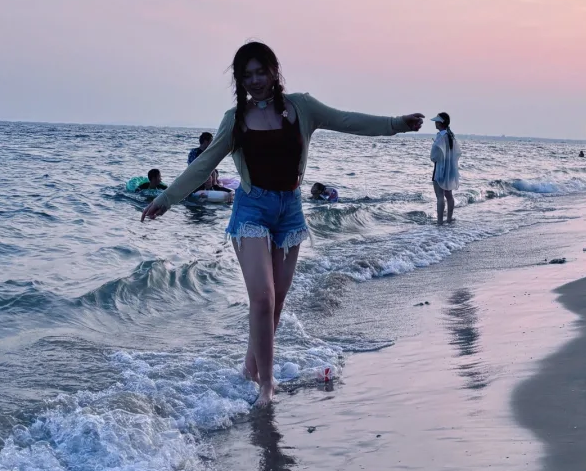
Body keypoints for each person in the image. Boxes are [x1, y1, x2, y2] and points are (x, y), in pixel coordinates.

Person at [142, 42, 422, 406]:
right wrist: (166, 198)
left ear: (275, 71)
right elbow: (204, 164)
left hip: (289, 211)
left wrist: (395, 125)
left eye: (261, 72)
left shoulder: (300, 108)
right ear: (239, 80)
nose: (255, 81)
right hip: (251, 211)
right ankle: (267, 383)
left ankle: (251, 367)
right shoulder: (236, 119)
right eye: (247, 75)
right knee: (262, 298)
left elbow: (347, 121)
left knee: (275, 303)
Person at [430, 112, 461, 224]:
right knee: (449, 195)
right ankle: (449, 219)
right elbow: (456, 153)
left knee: (439, 196)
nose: (435, 123)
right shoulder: (450, 136)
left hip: (439, 168)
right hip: (450, 169)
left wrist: (435, 159)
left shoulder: (441, 136)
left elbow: (434, 156)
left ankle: (439, 222)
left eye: (437, 121)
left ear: (440, 123)